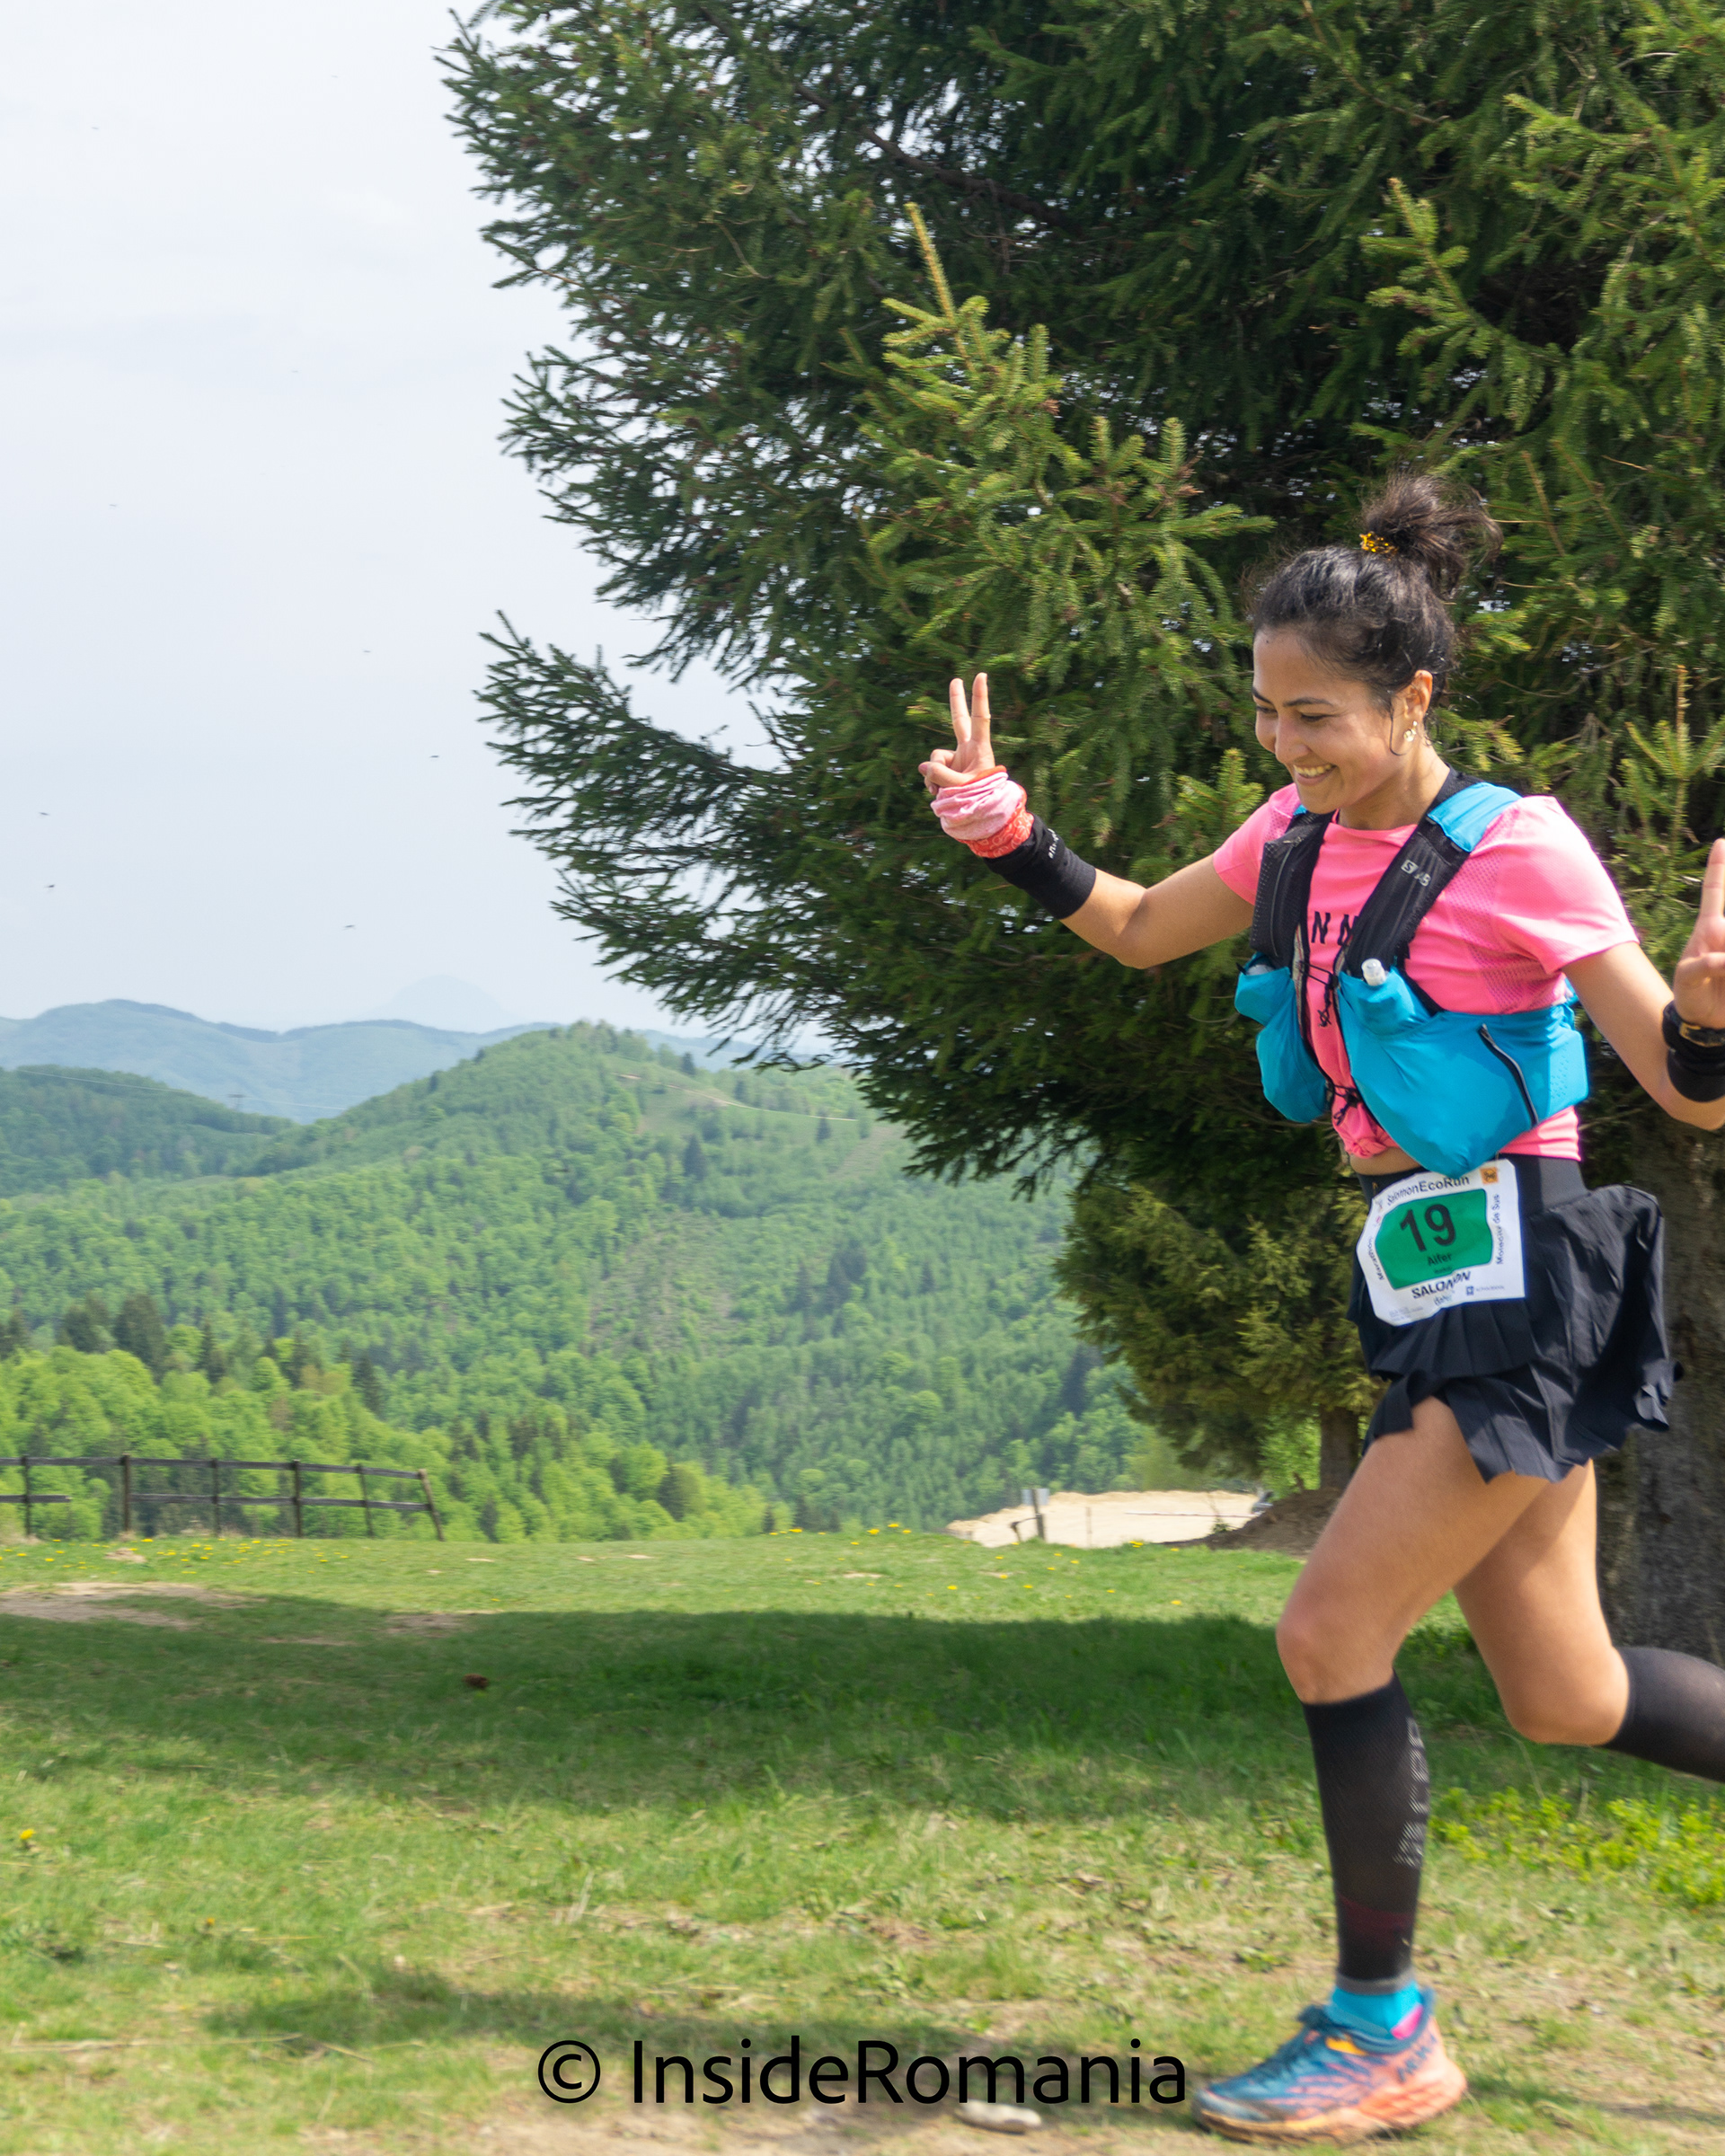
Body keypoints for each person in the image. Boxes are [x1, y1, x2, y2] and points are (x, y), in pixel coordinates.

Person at [920, 473, 1725, 2146]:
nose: (1288, 747)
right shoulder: (1291, 837)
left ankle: (1381, 2033)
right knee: (1567, 1694)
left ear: (1412, 697)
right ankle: (1382, 2031)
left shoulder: (1521, 847)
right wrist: (1008, 833)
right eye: (1269, 713)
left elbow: (1682, 1087)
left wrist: (1712, 1017)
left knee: (1326, 1632)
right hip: (1430, 1271)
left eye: (1320, 718)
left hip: (1529, 1270)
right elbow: (1140, 928)